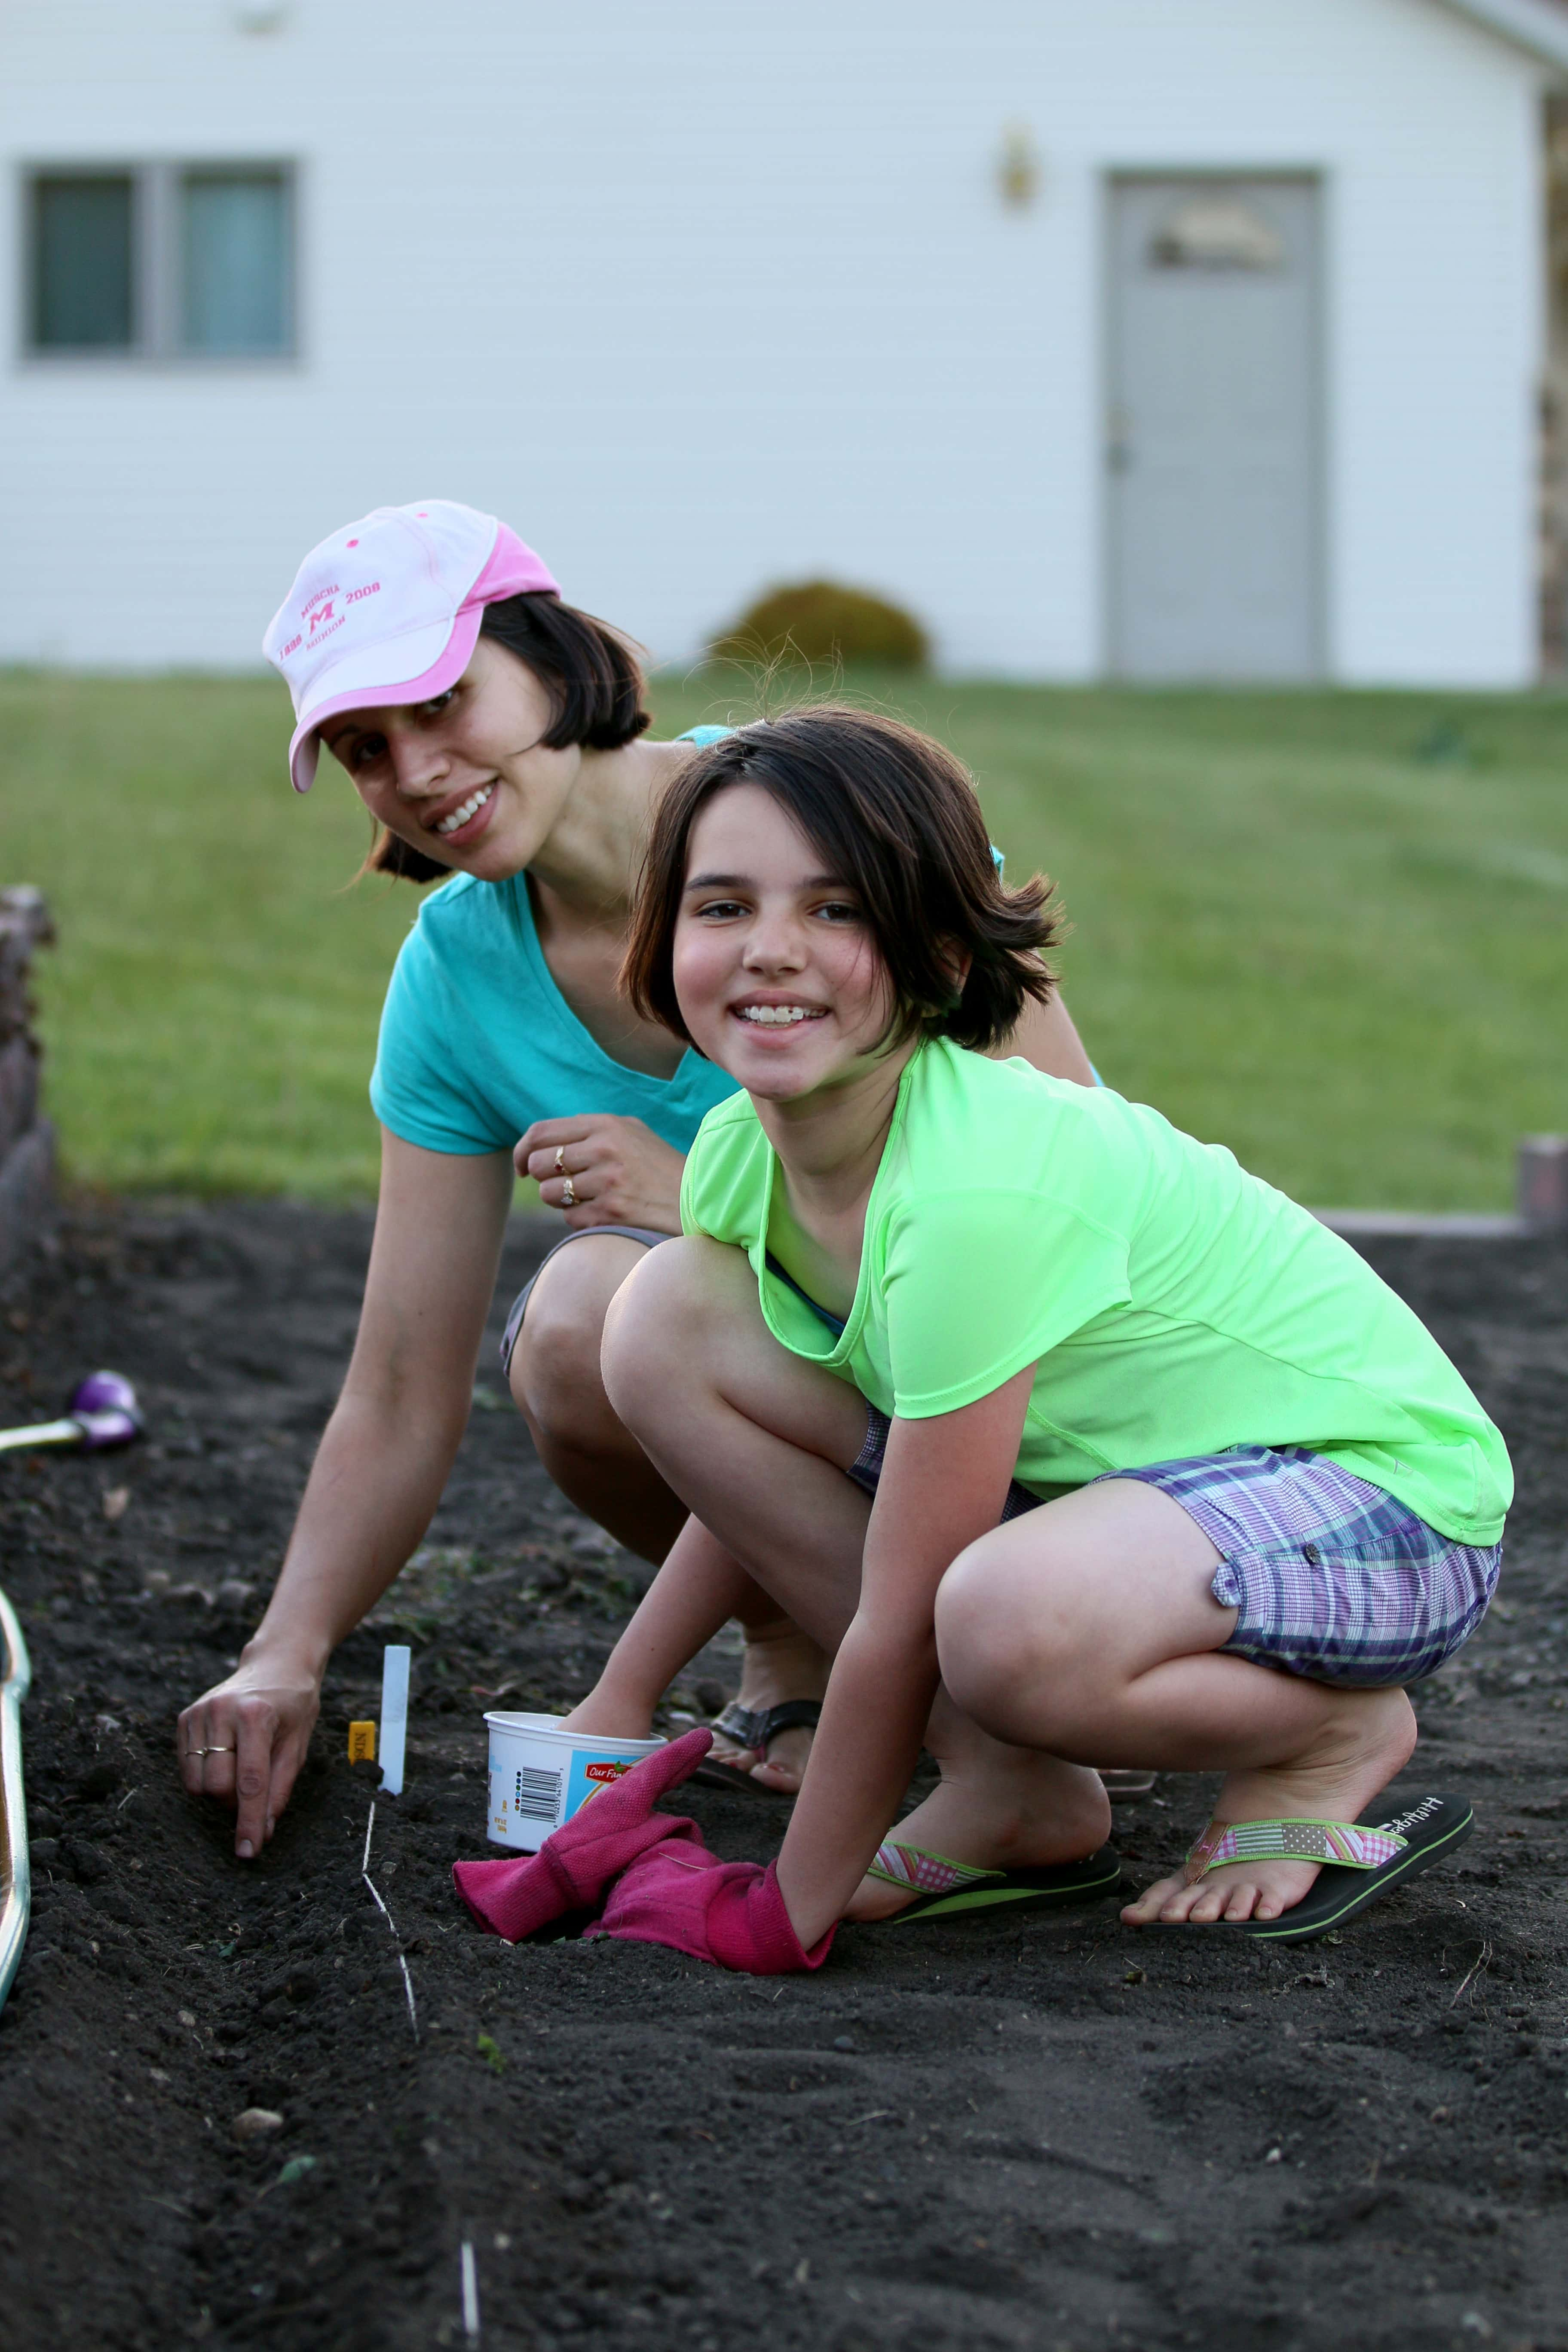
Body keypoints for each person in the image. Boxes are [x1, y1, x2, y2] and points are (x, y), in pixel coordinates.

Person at [176, 504, 1099, 1857]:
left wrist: (711, 1205)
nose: (417, 771)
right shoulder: (456, 976)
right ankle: (823, 1654)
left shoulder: (826, 817)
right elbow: (398, 1379)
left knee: (643, 1289)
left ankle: (1003, 1689)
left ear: (548, 658)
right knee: (574, 1325)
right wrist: (287, 1651)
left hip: (1036, 1421)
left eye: (440, 702)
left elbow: (1082, 1176)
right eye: (369, 751)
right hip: (839, 1426)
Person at [548, 705, 1510, 1959]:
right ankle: (1011, 1788)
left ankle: (1325, 1735)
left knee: (998, 1621)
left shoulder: (976, 1192)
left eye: (836, 911)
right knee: (662, 1320)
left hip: (1383, 1496)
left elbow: (902, 1606)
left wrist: (790, 1903)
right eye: (722, 907)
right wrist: (616, 1709)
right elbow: (747, 1489)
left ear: (941, 953)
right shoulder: (743, 1158)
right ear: (661, 938)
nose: (770, 950)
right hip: (1133, 1498)